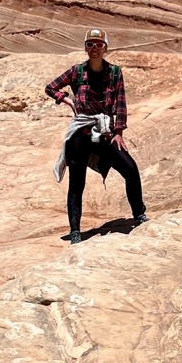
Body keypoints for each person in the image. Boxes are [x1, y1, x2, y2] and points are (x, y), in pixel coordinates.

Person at [45, 28, 147, 244]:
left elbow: (120, 101)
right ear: (85, 47)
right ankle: (75, 231)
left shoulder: (114, 72)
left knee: (130, 168)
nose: (94, 49)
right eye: (90, 44)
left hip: (104, 130)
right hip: (80, 132)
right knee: (77, 182)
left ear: (105, 48)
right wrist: (68, 100)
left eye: (99, 45)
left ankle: (139, 215)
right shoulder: (77, 71)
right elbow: (51, 88)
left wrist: (119, 131)